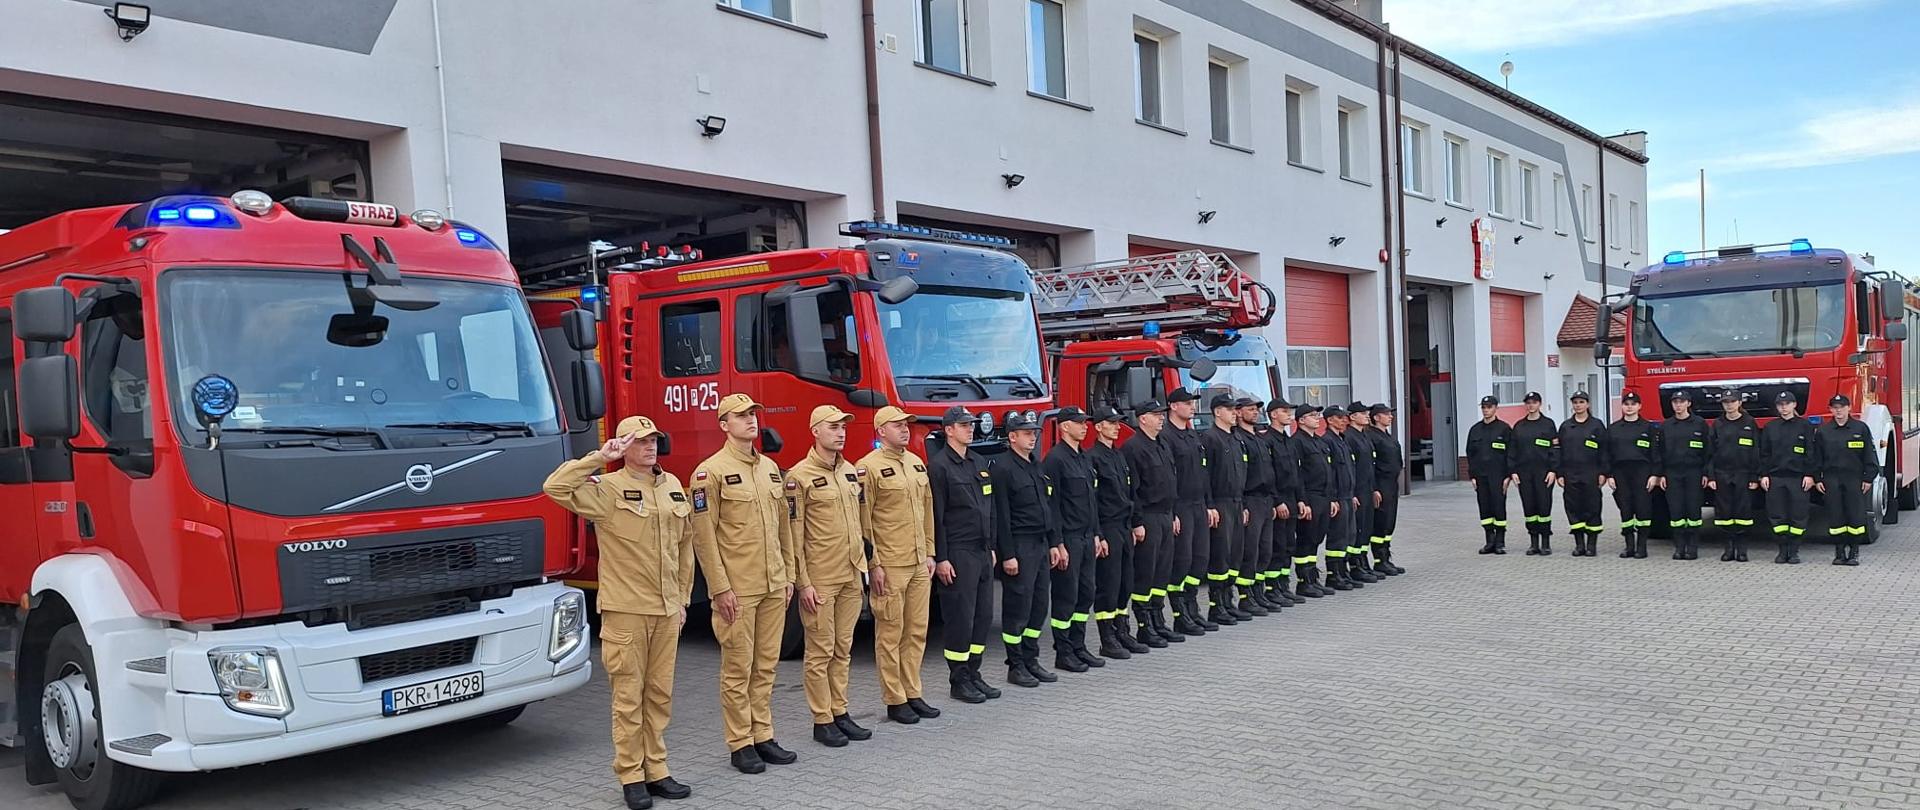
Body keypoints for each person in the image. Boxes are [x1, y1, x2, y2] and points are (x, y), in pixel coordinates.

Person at [543, 416, 694, 810]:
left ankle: (657, 769)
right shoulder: (608, 489)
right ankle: (631, 776)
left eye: (653, 440)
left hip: (665, 610)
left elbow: (684, 550)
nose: (649, 447)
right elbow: (554, 487)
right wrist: (598, 457)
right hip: (626, 611)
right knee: (629, 698)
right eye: (640, 441)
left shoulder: (673, 486)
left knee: (659, 695)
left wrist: (681, 599)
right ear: (623, 446)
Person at [688, 394, 798, 775]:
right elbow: (704, 537)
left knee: (766, 666)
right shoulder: (709, 473)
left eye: (754, 414)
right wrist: (719, 589)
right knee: (738, 668)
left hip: (771, 584)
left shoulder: (770, 468)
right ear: (724, 425)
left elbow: (784, 527)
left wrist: (788, 576)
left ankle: (764, 734)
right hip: (738, 587)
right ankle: (740, 742)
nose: (751, 421)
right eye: (741, 416)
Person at [785, 405, 873, 748]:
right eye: (833, 427)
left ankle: (840, 711)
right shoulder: (799, 477)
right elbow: (794, 536)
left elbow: (860, 525)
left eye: (843, 427)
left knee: (843, 647)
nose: (841, 432)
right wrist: (803, 582)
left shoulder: (850, 472)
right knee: (820, 651)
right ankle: (822, 719)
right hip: (820, 577)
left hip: (851, 573)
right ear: (815, 432)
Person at [854, 406, 941, 726]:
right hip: (890, 564)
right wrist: (873, 564)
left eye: (907, 425)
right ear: (880, 431)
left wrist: (930, 552)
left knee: (917, 631)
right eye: (897, 425)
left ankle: (913, 692)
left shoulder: (916, 463)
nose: (905, 430)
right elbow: (864, 521)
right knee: (890, 633)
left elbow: (927, 510)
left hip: (919, 561)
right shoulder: (868, 468)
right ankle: (894, 698)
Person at [927, 406, 1002, 703]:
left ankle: (974, 672)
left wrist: (993, 547)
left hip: (983, 551)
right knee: (961, 617)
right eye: (963, 425)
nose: (970, 429)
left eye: (970, 425)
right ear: (948, 430)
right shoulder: (940, 466)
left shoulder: (978, 462)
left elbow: (990, 509)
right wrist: (942, 557)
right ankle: (958, 679)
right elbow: (938, 516)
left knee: (983, 616)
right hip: (958, 551)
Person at [993, 412, 1061, 687]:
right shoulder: (1002, 469)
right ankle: (1016, 664)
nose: (1033, 437)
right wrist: (1008, 554)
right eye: (1026, 433)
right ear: (1012, 437)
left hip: (1040, 543)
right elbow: (1002, 517)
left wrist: (1055, 543)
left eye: (1034, 432)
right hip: (1019, 545)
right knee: (1017, 607)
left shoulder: (1036, 465)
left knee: (1038, 605)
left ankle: (1032, 659)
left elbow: (1048, 508)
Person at [1042, 407, 1104, 672]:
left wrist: (1098, 534)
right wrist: (1057, 543)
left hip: (1088, 536)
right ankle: (1063, 650)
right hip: (1068, 538)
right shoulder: (1055, 460)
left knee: (1086, 593)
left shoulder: (1084, 458)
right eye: (1079, 423)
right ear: (1064, 427)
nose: (1085, 427)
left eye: (1085, 423)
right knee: (1066, 596)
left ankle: (1079, 646)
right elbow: (1052, 506)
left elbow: (1093, 501)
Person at [1088, 405, 1149, 657]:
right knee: (1109, 584)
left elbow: (1130, 492)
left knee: (1126, 582)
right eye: (1111, 423)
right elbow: (1093, 501)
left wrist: (1136, 522)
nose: (1116, 427)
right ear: (1099, 426)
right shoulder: (1093, 457)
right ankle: (1107, 637)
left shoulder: (1119, 456)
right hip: (1108, 527)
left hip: (1124, 527)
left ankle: (1123, 631)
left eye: (1117, 422)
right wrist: (1098, 534)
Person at [1122, 398, 1181, 647]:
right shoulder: (1133, 448)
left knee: (1161, 572)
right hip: (1148, 516)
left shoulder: (1162, 444)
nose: (1161, 418)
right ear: (1142, 418)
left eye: (1162, 414)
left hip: (1166, 515)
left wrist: (1174, 513)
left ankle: (1158, 621)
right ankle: (1144, 626)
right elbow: (1133, 491)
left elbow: (1171, 481)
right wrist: (1137, 522)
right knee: (1145, 573)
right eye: (1156, 415)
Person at [1163, 387, 1213, 637]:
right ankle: (1180, 615)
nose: (1192, 407)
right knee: (1181, 561)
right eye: (1187, 403)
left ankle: (1193, 609)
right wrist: (1171, 512)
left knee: (1199, 559)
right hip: (1180, 506)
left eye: (1192, 403)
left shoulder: (1193, 436)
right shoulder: (1166, 437)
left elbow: (1204, 474)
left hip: (1198, 505)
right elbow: (1168, 478)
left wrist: (1209, 504)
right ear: (1173, 406)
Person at [1200, 394, 1251, 623]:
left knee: (1234, 554)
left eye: (1235, 409)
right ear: (1217, 412)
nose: (1235, 413)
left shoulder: (1235, 438)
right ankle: (1216, 605)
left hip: (1236, 502)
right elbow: (1205, 476)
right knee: (1220, 555)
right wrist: (1210, 505)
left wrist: (1243, 504)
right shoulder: (1210, 438)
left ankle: (1228, 601)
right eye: (1230, 409)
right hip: (1220, 502)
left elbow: (1242, 474)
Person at [1816, 394, 1876, 566]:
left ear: (1849, 408)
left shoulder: (1860, 429)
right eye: (1835, 407)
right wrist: (1817, 478)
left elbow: (1869, 455)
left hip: (1854, 479)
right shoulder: (1823, 431)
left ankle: (1854, 552)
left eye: (1842, 407)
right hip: (1831, 479)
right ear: (1830, 410)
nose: (1838, 410)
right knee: (1836, 516)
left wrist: (1868, 478)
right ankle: (1839, 552)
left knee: (1855, 516)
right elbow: (1816, 458)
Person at [1234, 398, 1282, 612]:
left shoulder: (1260, 439)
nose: (1255, 413)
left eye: (1257, 410)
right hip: (1250, 499)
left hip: (1265, 500)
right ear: (1238, 412)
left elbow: (1269, 472)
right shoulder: (1239, 439)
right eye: (1250, 409)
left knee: (1265, 550)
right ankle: (1246, 596)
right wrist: (1243, 504)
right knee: (1250, 551)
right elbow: (1240, 476)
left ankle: (1258, 592)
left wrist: (1272, 499)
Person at [1759, 392, 1818, 564]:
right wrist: (1763, 475)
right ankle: (1782, 550)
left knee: (1798, 516)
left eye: (1787, 404)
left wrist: (1810, 475)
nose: (1783, 408)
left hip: (1798, 479)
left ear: (1794, 405)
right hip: (1776, 478)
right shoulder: (1771, 427)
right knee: (1777, 517)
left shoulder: (1805, 426)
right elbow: (1764, 454)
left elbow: (1811, 453)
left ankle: (1794, 551)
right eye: (1780, 405)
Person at [1654, 390, 1711, 561]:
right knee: (1676, 512)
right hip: (1672, 473)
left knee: (1693, 510)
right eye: (1675, 402)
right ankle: (1679, 548)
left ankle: (1692, 548)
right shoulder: (1666, 426)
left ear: (1689, 403)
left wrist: (1706, 473)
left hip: (1694, 472)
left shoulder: (1699, 424)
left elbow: (1708, 451)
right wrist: (1661, 474)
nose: (1678, 405)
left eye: (1681, 402)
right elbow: (1660, 452)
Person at [1706, 390, 1761, 562]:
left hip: (1743, 474)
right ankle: (1728, 549)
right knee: (1724, 513)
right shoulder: (1718, 424)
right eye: (1725, 402)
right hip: (1722, 474)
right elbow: (1710, 452)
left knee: (1743, 513)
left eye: (1732, 401)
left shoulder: (1749, 423)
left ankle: (1742, 550)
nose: (1729, 405)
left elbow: (1755, 451)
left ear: (1739, 403)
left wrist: (1754, 477)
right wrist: (1712, 476)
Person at [1264, 400, 1310, 602]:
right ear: (1273, 415)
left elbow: (1297, 473)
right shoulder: (1268, 441)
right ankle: (1273, 589)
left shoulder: (1288, 440)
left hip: (1292, 499)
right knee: (1277, 545)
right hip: (1279, 500)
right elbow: (1269, 475)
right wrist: (1277, 501)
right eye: (1285, 411)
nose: (1289, 414)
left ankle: (1283, 586)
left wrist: (1301, 499)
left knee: (1288, 545)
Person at [1605, 391, 1660, 559]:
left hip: (1642, 473)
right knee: (1626, 510)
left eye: (1633, 404)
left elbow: (1655, 453)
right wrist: (1609, 475)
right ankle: (1629, 546)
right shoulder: (1613, 428)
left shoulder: (1648, 427)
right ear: (1622, 406)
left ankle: (1641, 547)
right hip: (1621, 472)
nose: (1629, 408)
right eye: (1626, 404)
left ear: (1639, 406)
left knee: (1643, 510)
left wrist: (1655, 475)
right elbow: (1607, 454)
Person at [1556, 392, 1610, 558]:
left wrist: (1604, 472)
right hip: (1570, 474)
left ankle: (1591, 545)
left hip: (1591, 474)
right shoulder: (1565, 426)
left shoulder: (1596, 425)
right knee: (1573, 509)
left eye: (1581, 402)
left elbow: (1605, 451)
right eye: (1575, 402)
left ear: (1587, 404)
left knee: (1592, 508)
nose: (1578, 405)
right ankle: (1579, 545)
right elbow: (1558, 452)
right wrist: (1559, 473)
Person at [1291, 406, 1337, 597]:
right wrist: (1302, 500)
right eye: (1312, 416)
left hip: (1324, 497)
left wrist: (1332, 498)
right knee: (1306, 540)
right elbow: (1298, 475)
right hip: (1310, 496)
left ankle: (1313, 578)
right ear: (1301, 420)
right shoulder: (1297, 442)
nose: (1317, 418)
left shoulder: (1318, 441)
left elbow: (1329, 470)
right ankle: (1304, 581)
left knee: (1316, 539)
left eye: (1317, 415)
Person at [1510, 392, 1560, 556]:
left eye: (1534, 402)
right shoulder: (1519, 426)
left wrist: (1553, 470)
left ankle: (1545, 542)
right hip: (1524, 473)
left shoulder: (1548, 424)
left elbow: (1554, 449)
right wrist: (1513, 471)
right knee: (1529, 507)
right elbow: (1512, 451)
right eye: (1528, 402)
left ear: (1540, 404)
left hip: (1543, 473)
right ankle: (1533, 543)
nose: (1531, 405)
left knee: (1544, 507)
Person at [1466, 395, 1514, 554]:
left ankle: (1500, 542)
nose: (1486, 410)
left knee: (1499, 508)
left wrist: (1508, 476)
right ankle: (1489, 541)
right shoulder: (1475, 429)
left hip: (1498, 476)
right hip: (1480, 476)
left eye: (1489, 407)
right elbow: (1470, 454)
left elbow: (1511, 453)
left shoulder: (1504, 429)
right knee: (1485, 508)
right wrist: (1472, 476)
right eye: (1484, 407)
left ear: (1496, 408)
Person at [1342, 402, 1383, 584]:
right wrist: (1353, 493)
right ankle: (1355, 566)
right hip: (1357, 491)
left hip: (1367, 490)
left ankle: (1363, 563)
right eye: (1363, 413)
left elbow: (1370, 466)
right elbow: (1351, 469)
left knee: (1366, 528)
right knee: (1356, 530)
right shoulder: (1349, 437)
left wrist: (1373, 489)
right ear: (1352, 417)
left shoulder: (1364, 435)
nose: (1367, 416)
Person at [1322, 406, 1361, 590]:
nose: (1344, 420)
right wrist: (1333, 498)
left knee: (1348, 535)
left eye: (1345, 417)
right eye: (1340, 418)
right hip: (1338, 497)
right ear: (1330, 420)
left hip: (1347, 495)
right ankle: (1333, 574)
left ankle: (1343, 571)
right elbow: (1330, 474)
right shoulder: (1327, 441)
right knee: (1337, 538)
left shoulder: (1342, 440)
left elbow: (1349, 471)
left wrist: (1352, 494)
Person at [1366, 403, 1407, 575]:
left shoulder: (1387, 436)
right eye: (1386, 414)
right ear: (1376, 417)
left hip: (1391, 484)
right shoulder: (1372, 436)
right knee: (1380, 523)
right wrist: (1374, 488)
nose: (1390, 416)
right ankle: (1379, 559)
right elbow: (1371, 465)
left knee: (1389, 521)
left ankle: (1385, 558)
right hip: (1381, 484)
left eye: (1390, 414)